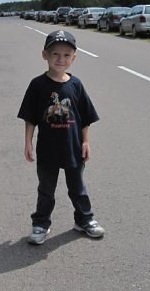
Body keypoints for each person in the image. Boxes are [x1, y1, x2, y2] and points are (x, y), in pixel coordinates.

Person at [17, 30, 105, 245]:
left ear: (73, 58)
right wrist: (28, 142)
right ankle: (41, 223)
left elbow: (85, 118)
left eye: (67, 55)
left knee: (78, 188)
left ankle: (84, 220)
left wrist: (86, 142)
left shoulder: (76, 85)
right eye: (55, 54)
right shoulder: (37, 85)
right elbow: (30, 117)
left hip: (73, 148)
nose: (60, 59)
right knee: (46, 190)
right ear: (44, 55)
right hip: (47, 150)